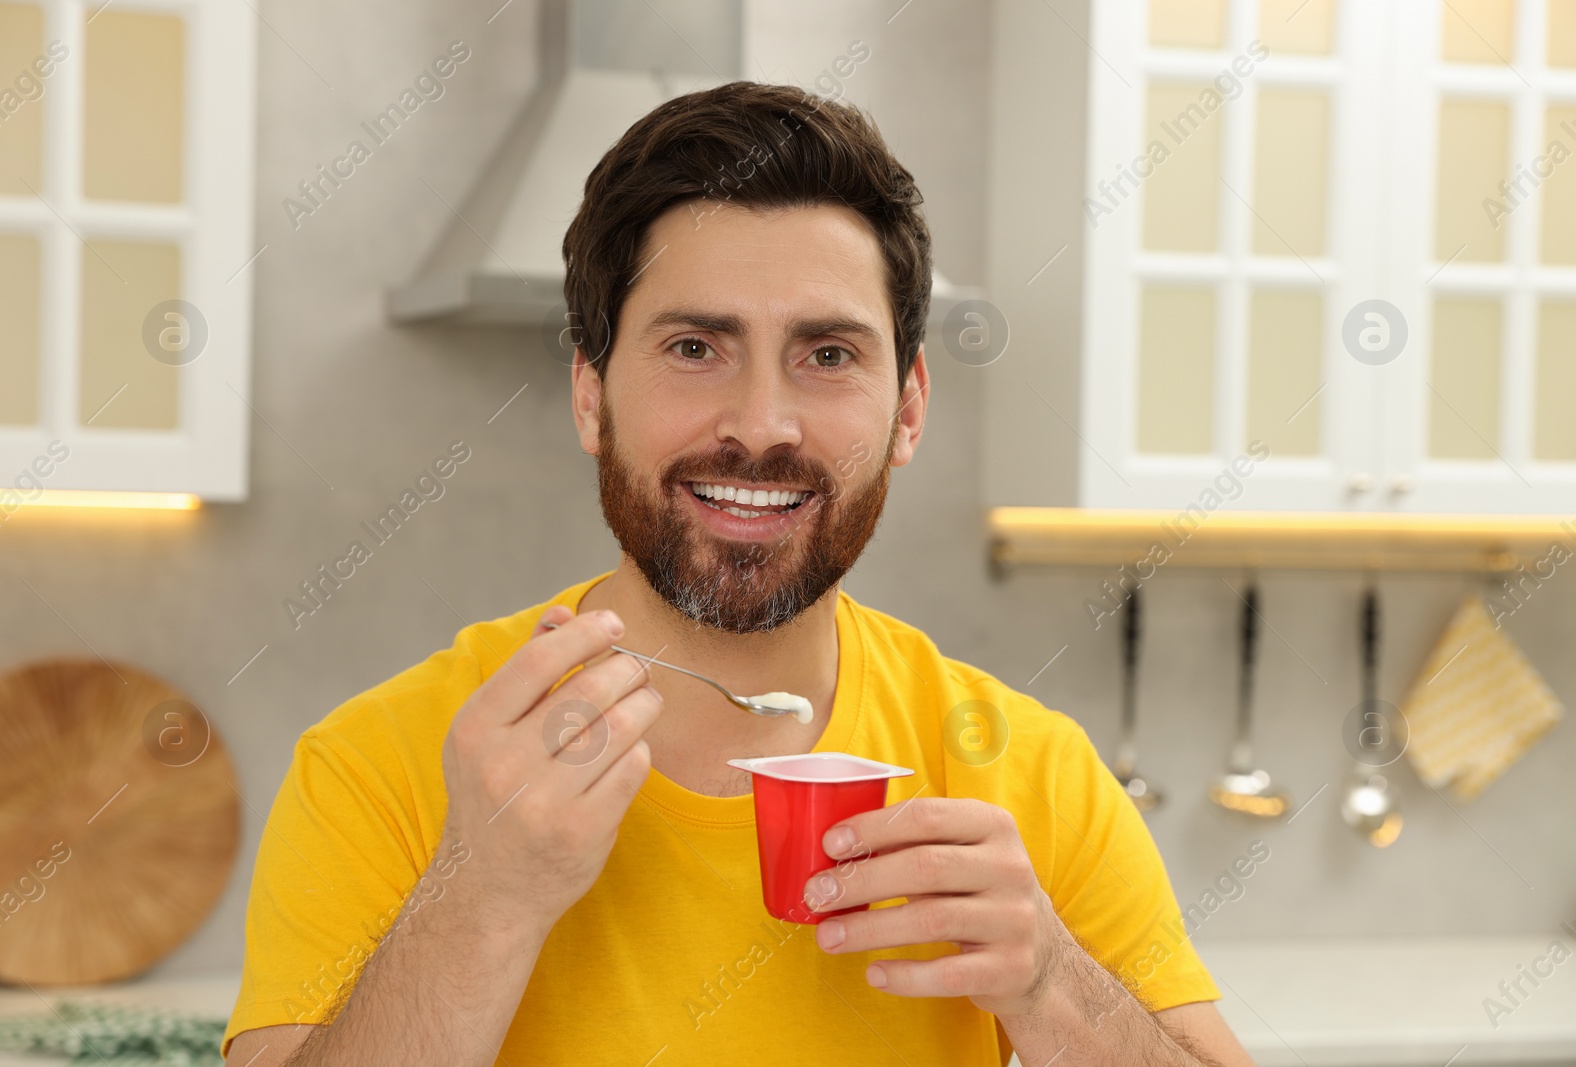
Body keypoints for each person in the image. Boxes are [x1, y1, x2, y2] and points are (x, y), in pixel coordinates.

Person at [222, 81, 1255, 1066]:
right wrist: (485, 892)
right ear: (590, 396)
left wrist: (1050, 984)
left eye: (828, 355)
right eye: (693, 346)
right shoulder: (381, 765)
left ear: (908, 409)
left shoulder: (1028, 777)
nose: (760, 425)